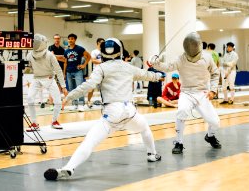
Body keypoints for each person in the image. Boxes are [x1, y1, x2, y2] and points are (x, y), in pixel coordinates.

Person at [44, 38, 163, 181]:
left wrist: (69, 97)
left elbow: (88, 86)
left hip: (111, 114)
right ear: (120, 51)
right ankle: (152, 154)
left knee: (90, 141)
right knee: (144, 128)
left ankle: (68, 168)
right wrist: (159, 74)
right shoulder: (129, 67)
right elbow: (152, 76)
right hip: (129, 112)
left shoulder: (101, 68)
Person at [149, 32, 221, 155]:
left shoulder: (207, 58)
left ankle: (210, 136)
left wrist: (213, 90)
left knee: (215, 122)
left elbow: (215, 73)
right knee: (181, 112)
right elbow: (168, 67)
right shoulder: (181, 59)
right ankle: (179, 142)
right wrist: (156, 63)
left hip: (202, 93)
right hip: (186, 92)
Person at [26, 34, 68, 131]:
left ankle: (54, 121)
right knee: (30, 98)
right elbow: (28, 68)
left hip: (49, 78)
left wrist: (63, 86)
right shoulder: (30, 55)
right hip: (36, 78)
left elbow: (58, 70)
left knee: (57, 101)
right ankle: (34, 123)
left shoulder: (49, 55)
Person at [64, 33, 91, 112]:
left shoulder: (80, 49)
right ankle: (74, 104)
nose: (70, 40)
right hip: (69, 72)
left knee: (80, 88)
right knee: (72, 89)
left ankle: (81, 104)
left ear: (75, 40)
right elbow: (65, 62)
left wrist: (84, 65)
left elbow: (89, 56)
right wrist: (64, 73)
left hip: (78, 71)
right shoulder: (67, 51)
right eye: (69, 39)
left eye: (72, 39)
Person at [48, 34, 66, 109]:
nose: (57, 40)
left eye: (58, 38)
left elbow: (65, 60)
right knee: (51, 87)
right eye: (55, 39)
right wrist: (60, 57)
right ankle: (51, 104)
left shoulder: (62, 49)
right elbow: (50, 58)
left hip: (60, 70)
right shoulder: (50, 47)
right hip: (52, 70)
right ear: (53, 39)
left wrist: (55, 56)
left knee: (59, 88)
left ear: (60, 39)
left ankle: (57, 103)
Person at [87, 38, 105, 108]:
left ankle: (105, 102)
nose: (103, 44)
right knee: (91, 87)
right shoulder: (94, 51)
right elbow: (93, 60)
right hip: (96, 72)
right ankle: (88, 101)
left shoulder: (105, 52)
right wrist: (102, 62)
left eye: (104, 43)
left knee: (104, 88)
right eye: (101, 42)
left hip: (104, 72)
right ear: (98, 43)